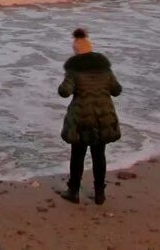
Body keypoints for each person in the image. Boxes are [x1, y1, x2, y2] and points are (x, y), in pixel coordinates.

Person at [57, 28, 122, 205]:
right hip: (104, 118)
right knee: (99, 155)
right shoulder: (104, 68)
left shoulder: (74, 69)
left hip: (82, 119)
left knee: (77, 155)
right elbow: (117, 90)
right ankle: (100, 193)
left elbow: (65, 92)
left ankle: (73, 191)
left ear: (76, 51)